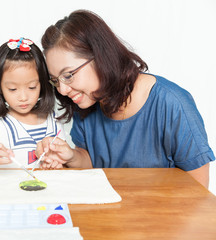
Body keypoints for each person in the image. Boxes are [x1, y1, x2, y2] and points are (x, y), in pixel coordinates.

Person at [36, 9, 215, 188]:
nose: (63, 90)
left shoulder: (172, 103)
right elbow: (93, 164)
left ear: (100, 57)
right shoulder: (85, 103)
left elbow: (198, 191)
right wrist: (71, 156)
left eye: (68, 75)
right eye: (55, 80)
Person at [0, 37, 65, 175]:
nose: (23, 97)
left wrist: (58, 165)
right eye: (13, 89)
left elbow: (66, 164)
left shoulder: (54, 121)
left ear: (43, 84)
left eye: (32, 87)